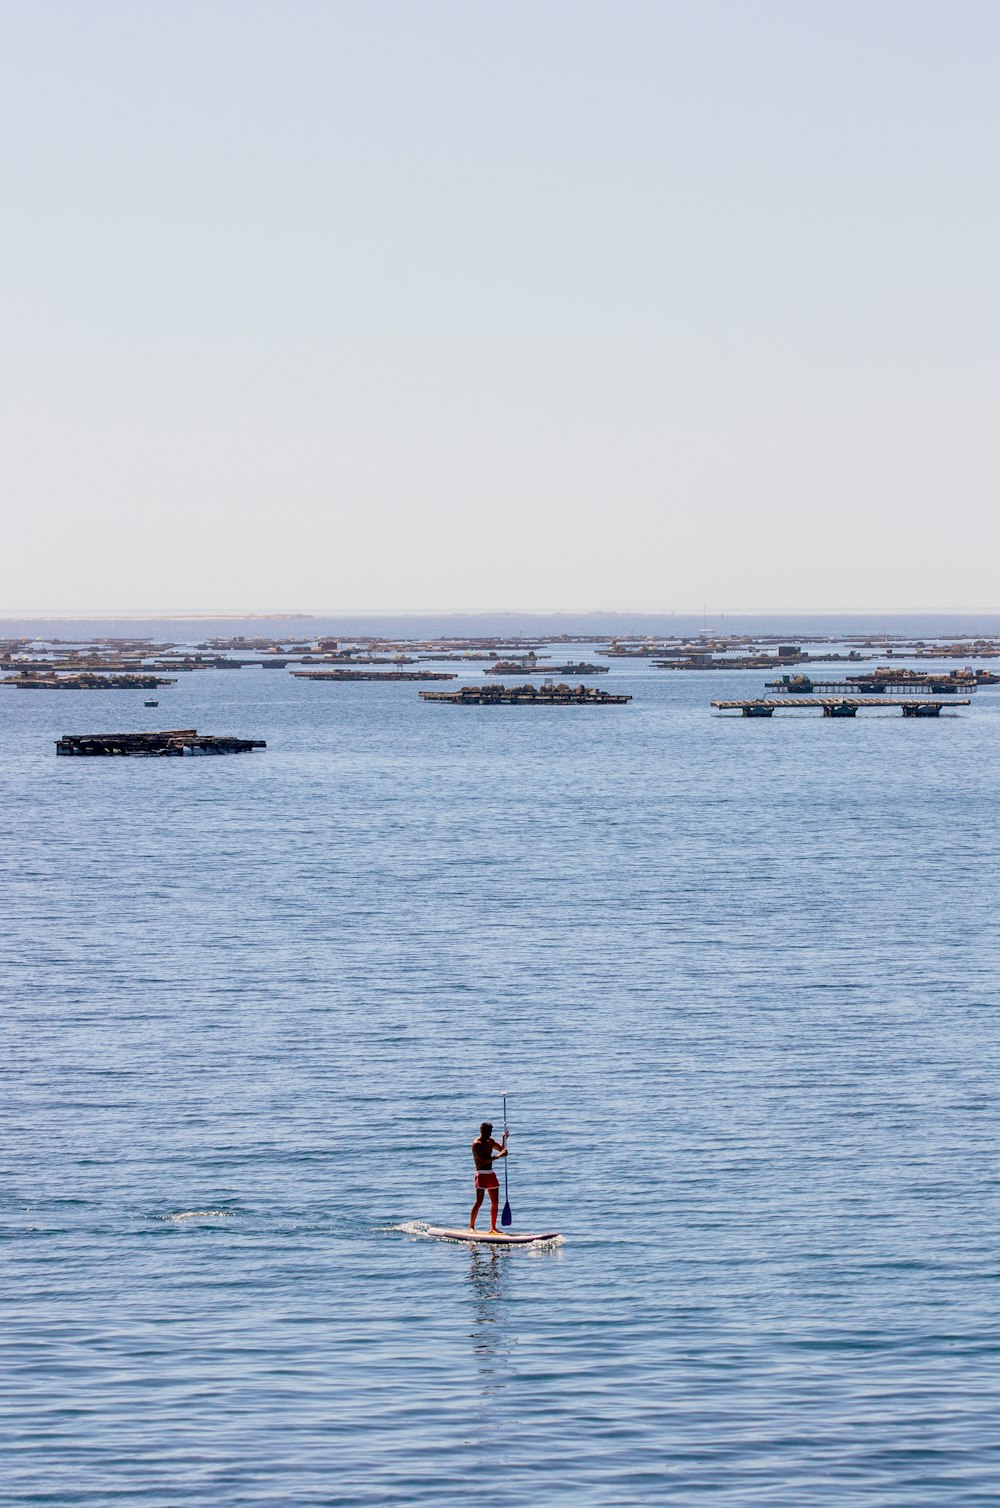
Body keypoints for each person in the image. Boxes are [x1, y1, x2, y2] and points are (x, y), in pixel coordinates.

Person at [469, 1120, 508, 1233]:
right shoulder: (476, 1144)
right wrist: (499, 1156)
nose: (490, 1134)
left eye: (491, 1131)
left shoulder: (490, 1141)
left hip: (490, 1173)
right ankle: (471, 1227)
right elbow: (483, 1160)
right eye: (488, 1132)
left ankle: (493, 1228)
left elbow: (501, 1149)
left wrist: (504, 1139)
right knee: (479, 1201)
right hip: (481, 1173)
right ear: (482, 1131)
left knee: (495, 1202)